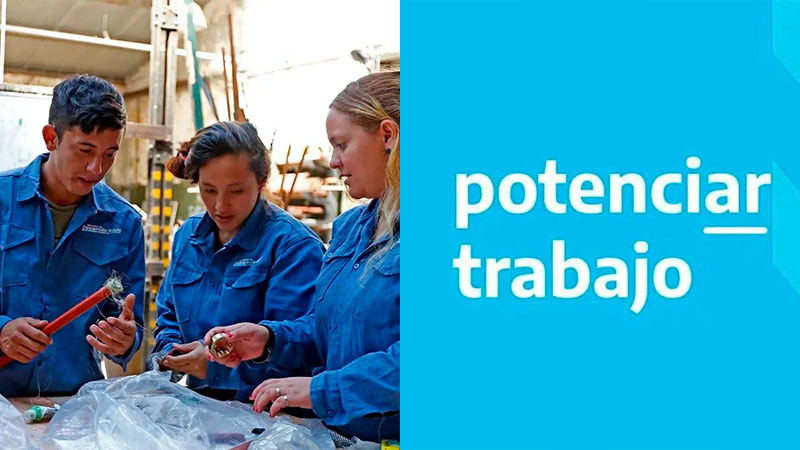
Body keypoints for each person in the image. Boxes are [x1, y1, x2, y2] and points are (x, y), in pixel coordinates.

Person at [205, 71, 400, 442]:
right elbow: (331, 329)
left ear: (387, 136)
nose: (333, 161)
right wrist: (269, 339)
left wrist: (322, 391)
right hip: (340, 437)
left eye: (341, 144)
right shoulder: (350, 228)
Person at [151, 121, 325, 402]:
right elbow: (168, 314)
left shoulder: (293, 247)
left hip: (266, 413)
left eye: (236, 191)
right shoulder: (188, 236)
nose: (221, 205)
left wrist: (215, 368)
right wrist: (171, 351)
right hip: (197, 404)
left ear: (261, 182)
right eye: (209, 190)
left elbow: (301, 348)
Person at [0, 74, 144, 397]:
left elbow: (129, 325)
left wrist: (124, 341)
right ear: (51, 138)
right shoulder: (2, 200)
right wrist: (2, 330)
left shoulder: (125, 223)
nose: (96, 168)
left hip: (73, 407)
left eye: (110, 154)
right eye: (85, 150)